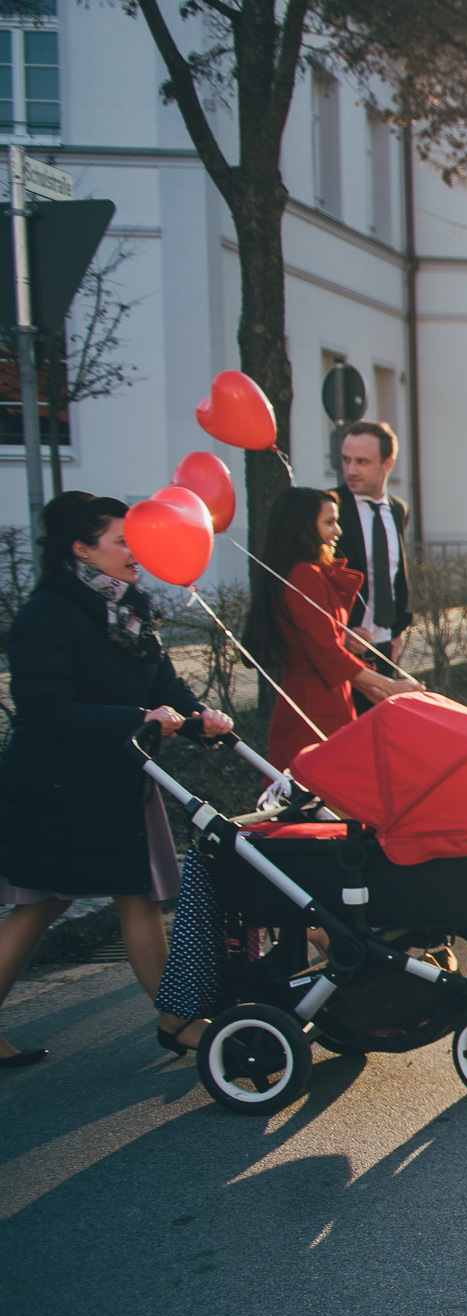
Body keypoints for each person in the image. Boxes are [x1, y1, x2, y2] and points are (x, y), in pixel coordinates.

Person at [0, 492, 235, 1066]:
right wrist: (139, 721)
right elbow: (43, 708)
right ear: (82, 549)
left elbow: (162, 685)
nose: (137, 551)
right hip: (56, 788)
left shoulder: (130, 605)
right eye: (122, 540)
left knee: (135, 892)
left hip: (115, 779)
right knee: (41, 904)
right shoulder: (46, 617)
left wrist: (198, 716)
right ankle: (178, 1019)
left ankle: (176, 1017)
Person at [242, 487, 410, 770]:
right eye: (329, 522)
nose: (338, 531)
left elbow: (317, 639)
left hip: (324, 693)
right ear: (304, 528)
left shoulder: (305, 571)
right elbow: (324, 652)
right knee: (326, 786)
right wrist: (391, 686)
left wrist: (345, 639)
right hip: (314, 702)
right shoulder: (302, 574)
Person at [335, 421, 413, 704]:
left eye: (362, 462)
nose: (351, 470)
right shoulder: (329, 509)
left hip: (385, 649)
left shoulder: (398, 510)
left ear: (387, 463)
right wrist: (341, 632)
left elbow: (393, 574)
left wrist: (397, 631)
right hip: (345, 653)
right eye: (346, 460)